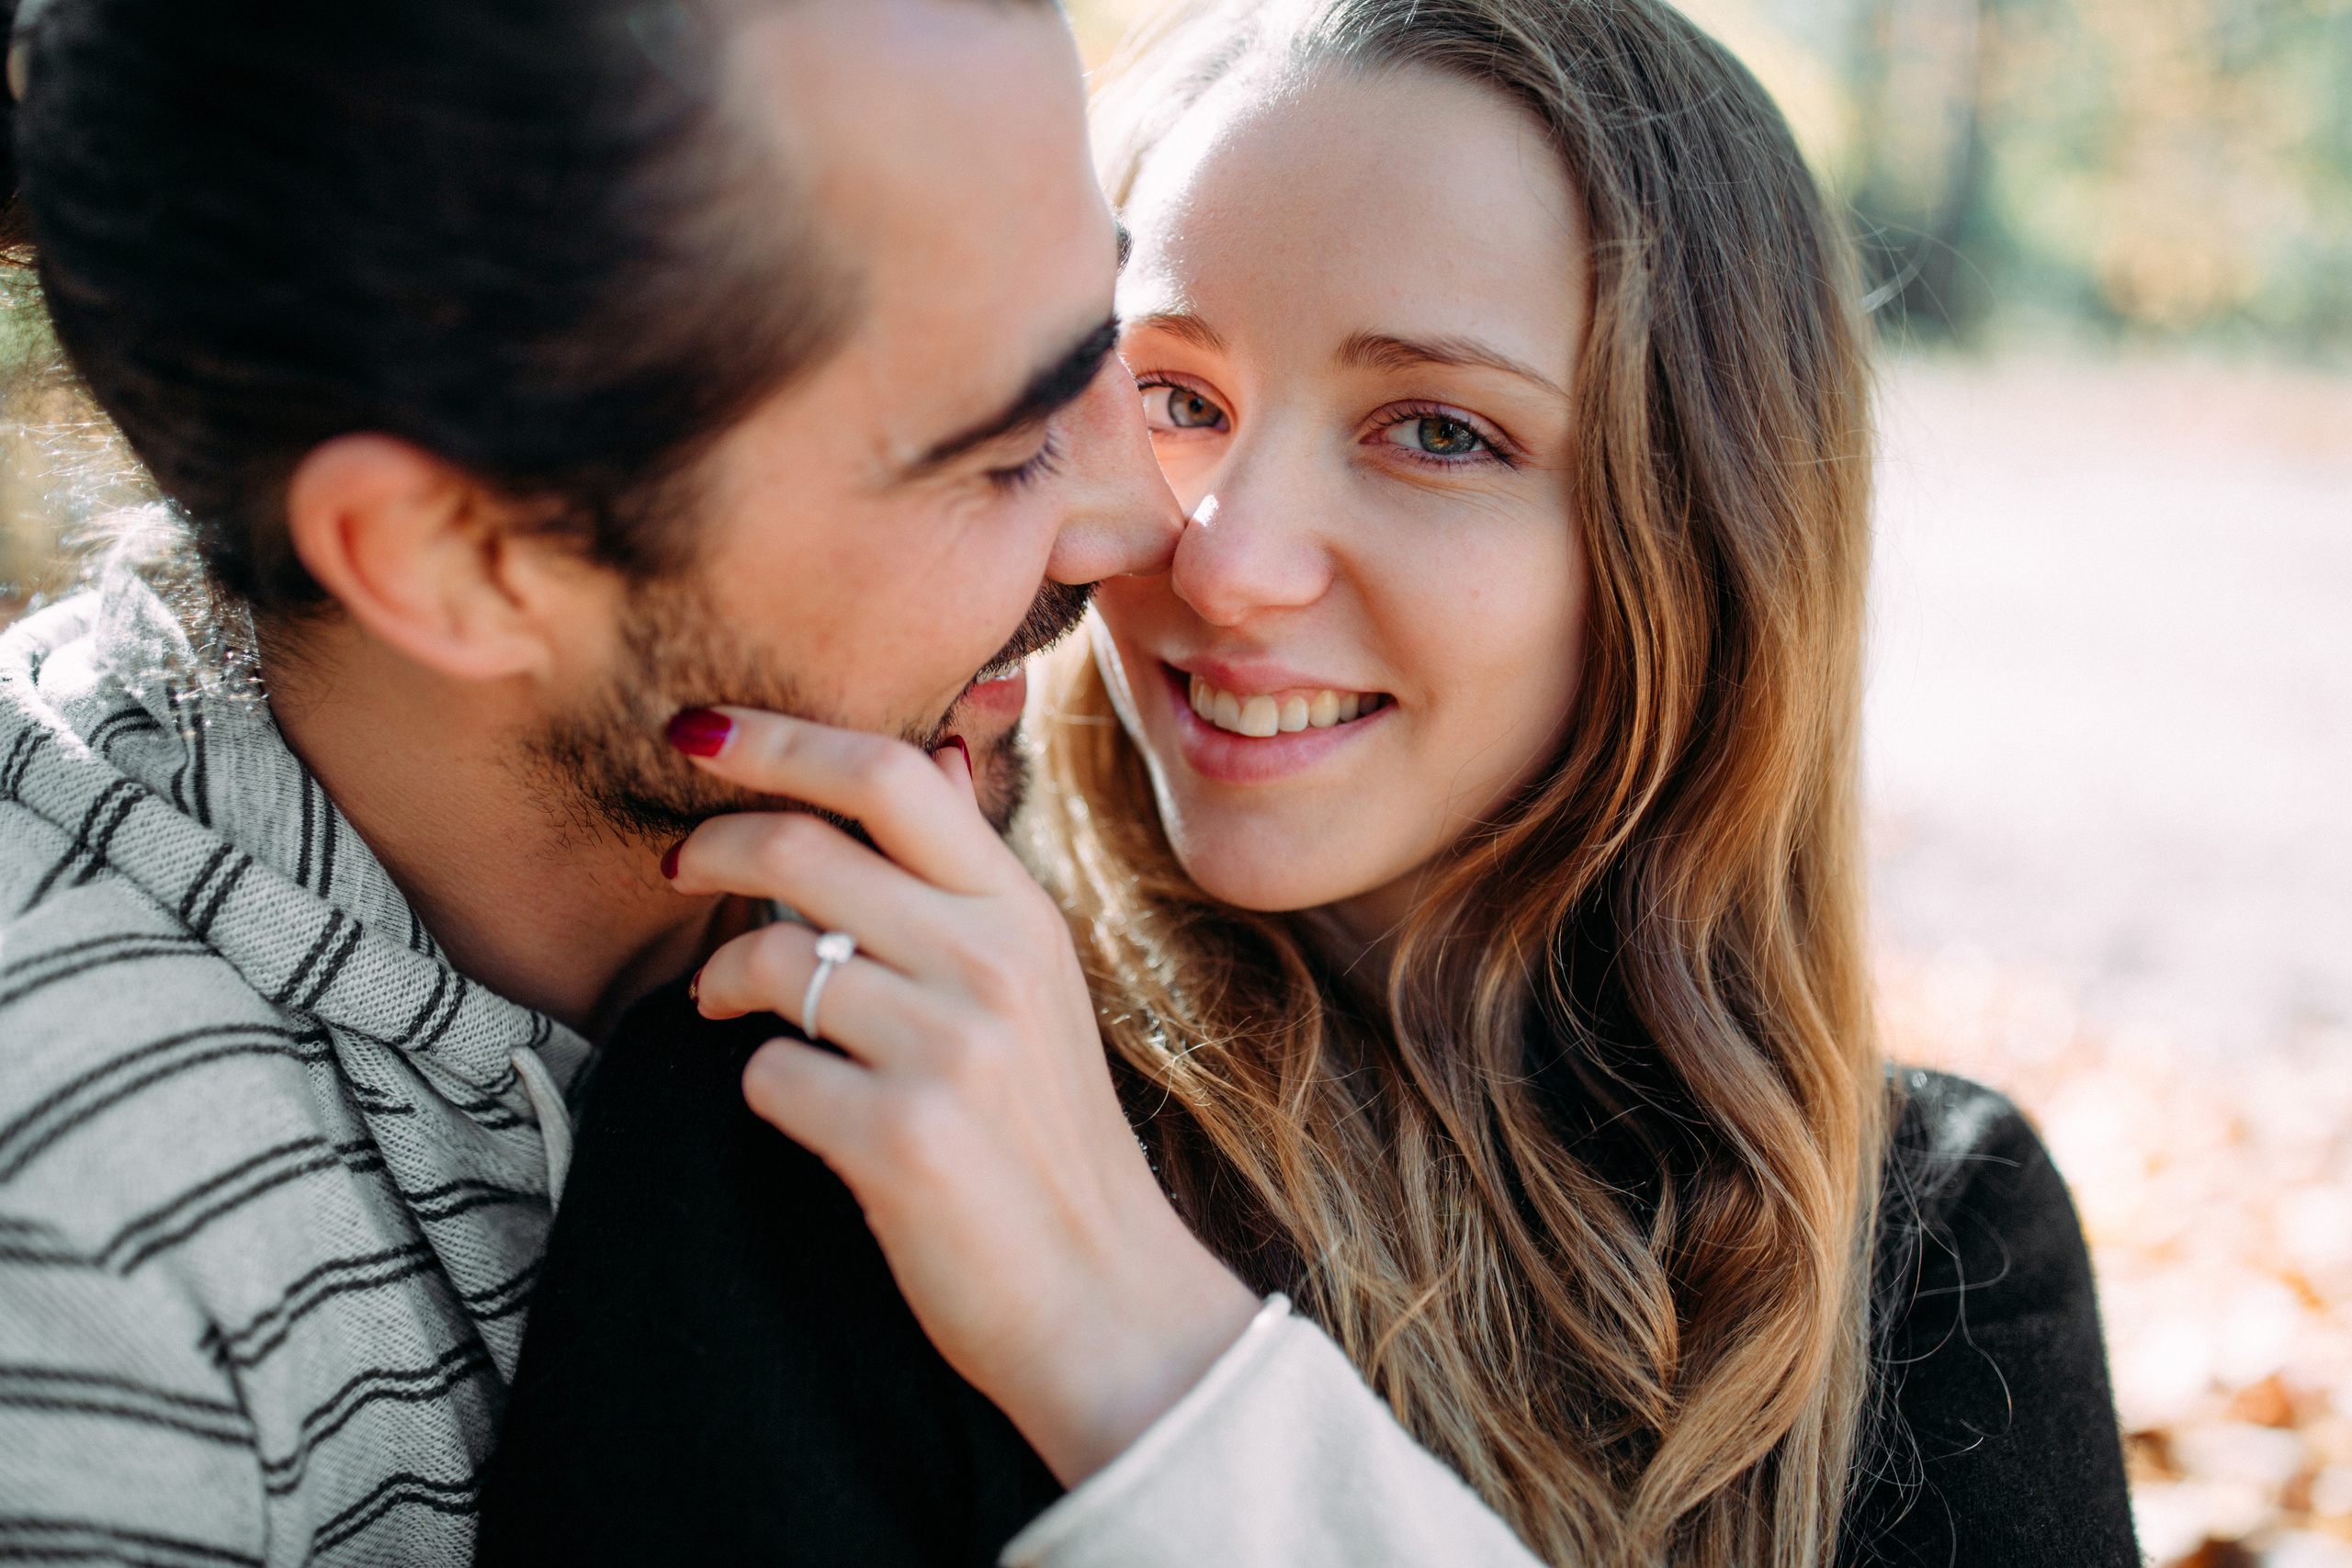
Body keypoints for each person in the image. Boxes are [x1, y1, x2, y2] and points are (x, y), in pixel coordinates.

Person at [478, 0, 2142, 1565]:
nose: (1227, 564)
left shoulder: (1930, 1245)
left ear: (1700, 542)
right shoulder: (847, 1077)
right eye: (1175, 397)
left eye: (1437, 432)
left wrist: (1136, 1355)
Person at [0, 0, 1186, 1560]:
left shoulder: (1023, 867)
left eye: (1113, 337)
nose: (1144, 524)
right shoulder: (73, 1243)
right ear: (465, 562)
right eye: (1005, 446)